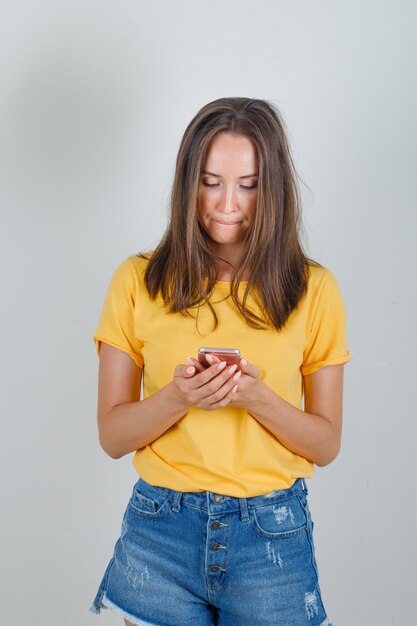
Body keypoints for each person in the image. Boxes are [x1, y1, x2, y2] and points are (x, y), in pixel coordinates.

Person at [89, 97, 351, 626]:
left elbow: (326, 445)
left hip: (272, 536)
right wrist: (177, 397)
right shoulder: (136, 281)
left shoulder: (314, 289)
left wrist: (254, 397)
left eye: (248, 185)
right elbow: (113, 437)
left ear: (272, 188)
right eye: (210, 181)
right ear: (188, 183)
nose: (227, 203)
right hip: (160, 530)